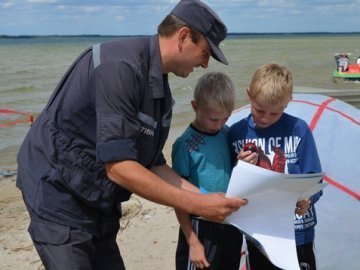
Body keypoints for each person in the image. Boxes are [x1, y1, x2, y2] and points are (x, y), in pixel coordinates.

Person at [16, 1, 247, 269]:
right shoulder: (120, 66)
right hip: (58, 194)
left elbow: (153, 164)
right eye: (205, 52)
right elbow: (120, 168)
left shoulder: (160, 92)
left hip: (99, 201)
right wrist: (198, 204)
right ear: (183, 36)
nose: (205, 64)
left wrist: (207, 199)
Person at [227, 63, 323, 270]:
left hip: (299, 231)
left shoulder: (299, 129)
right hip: (259, 232)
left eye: (275, 114)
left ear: (287, 104)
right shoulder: (236, 133)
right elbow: (228, 185)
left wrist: (308, 198)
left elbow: (315, 177)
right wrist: (240, 167)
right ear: (249, 96)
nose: (265, 118)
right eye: (259, 110)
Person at [172, 72, 244, 270]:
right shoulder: (184, 146)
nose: (219, 125)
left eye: (225, 118)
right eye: (213, 119)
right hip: (199, 227)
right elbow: (178, 198)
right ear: (195, 107)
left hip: (230, 225)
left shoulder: (227, 133)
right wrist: (192, 242)